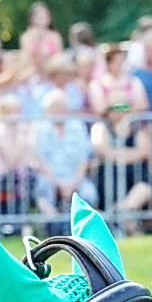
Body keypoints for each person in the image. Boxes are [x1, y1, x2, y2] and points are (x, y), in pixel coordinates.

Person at [30, 88, 94, 222]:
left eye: (63, 107)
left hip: (74, 176)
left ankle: (81, 227)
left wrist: (75, 181)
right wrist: (59, 183)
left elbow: (84, 158)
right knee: (43, 189)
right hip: (50, 177)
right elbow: (40, 161)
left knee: (89, 193)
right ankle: (52, 227)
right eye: (57, 108)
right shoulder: (40, 129)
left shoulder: (77, 127)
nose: (61, 111)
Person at [91, 99, 152, 232]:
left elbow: (144, 151)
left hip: (135, 175)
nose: (120, 112)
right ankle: (125, 223)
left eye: (125, 107)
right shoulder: (101, 127)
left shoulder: (137, 129)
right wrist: (129, 154)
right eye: (116, 108)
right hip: (108, 177)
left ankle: (121, 211)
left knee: (143, 188)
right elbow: (101, 149)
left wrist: (116, 155)